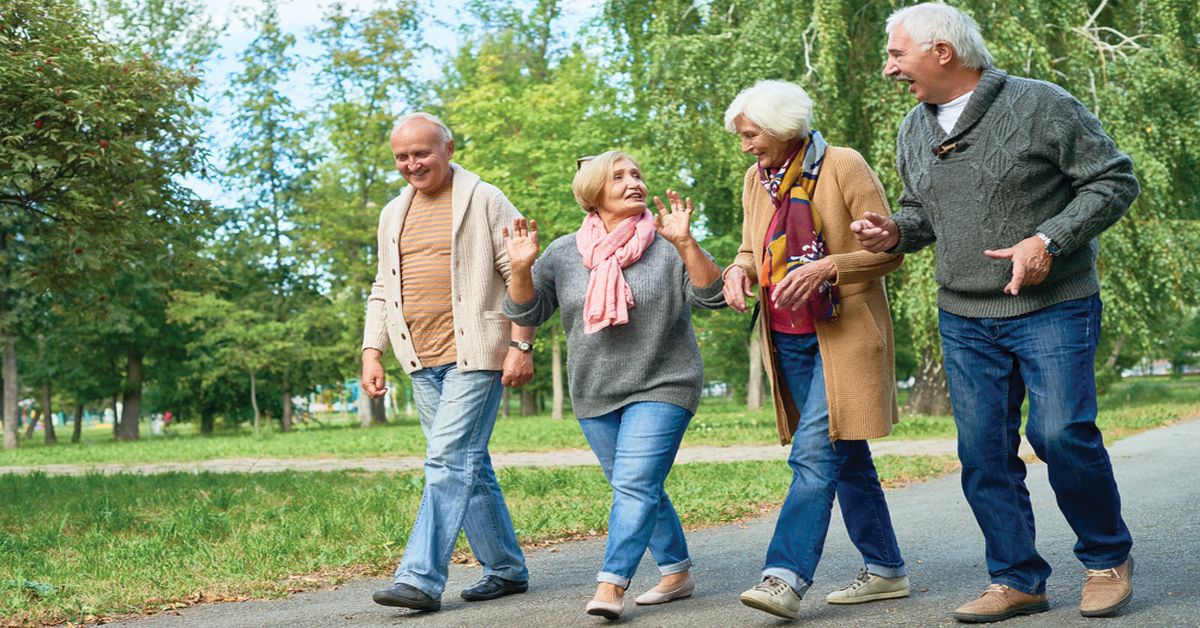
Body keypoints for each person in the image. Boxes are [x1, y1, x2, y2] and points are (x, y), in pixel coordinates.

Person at [852, 4, 1139, 622]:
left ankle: (1107, 559)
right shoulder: (913, 128)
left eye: (898, 55)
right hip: (964, 314)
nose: (889, 69)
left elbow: (1114, 180)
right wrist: (892, 233)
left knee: (1059, 435)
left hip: (1052, 305)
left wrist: (1049, 241)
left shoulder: (1040, 104)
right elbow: (922, 214)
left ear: (942, 53)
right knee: (982, 452)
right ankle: (1016, 578)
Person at [501, 151, 725, 619]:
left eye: (638, 174)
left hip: (666, 381)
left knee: (635, 483)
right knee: (638, 486)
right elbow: (527, 313)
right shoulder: (563, 253)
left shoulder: (668, 244)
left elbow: (714, 295)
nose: (633, 182)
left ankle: (611, 583)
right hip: (596, 389)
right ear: (592, 192)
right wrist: (521, 269)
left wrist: (687, 245)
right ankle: (677, 572)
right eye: (619, 176)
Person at [720, 80, 909, 621]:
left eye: (751, 134)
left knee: (811, 456)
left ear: (782, 128)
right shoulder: (756, 181)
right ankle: (887, 570)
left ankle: (784, 577)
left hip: (842, 336)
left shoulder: (843, 165)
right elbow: (749, 248)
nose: (746, 145)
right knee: (844, 455)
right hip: (788, 340)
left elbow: (889, 250)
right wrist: (738, 270)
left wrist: (830, 266)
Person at [363, 112, 536, 613]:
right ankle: (506, 568)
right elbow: (382, 287)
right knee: (468, 464)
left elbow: (519, 272)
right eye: (402, 156)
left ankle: (419, 578)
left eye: (422, 153)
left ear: (448, 148)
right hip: (420, 358)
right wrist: (371, 350)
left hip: (477, 353)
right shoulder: (393, 212)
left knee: (446, 460)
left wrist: (520, 345)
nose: (412, 164)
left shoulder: (485, 198)